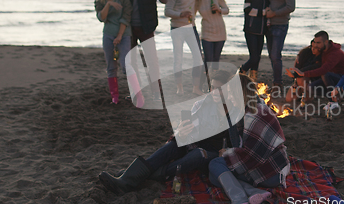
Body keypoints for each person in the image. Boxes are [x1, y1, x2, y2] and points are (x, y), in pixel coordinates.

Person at [98, 71, 242, 195]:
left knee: (198, 154)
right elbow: (189, 131)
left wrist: (228, 151)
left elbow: (242, 144)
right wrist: (183, 133)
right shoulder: (202, 105)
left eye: (220, 88)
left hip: (215, 155)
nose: (215, 92)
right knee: (173, 145)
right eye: (213, 87)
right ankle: (127, 180)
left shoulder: (236, 110)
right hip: (195, 144)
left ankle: (133, 176)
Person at [208, 74, 290, 204]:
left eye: (230, 93)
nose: (228, 97)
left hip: (271, 172)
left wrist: (228, 153)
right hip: (266, 166)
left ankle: (238, 198)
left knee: (215, 165)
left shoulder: (255, 114)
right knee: (213, 176)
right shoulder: (247, 110)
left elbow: (252, 155)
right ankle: (254, 192)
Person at [165, 0, 204, 96]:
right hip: (177, 28)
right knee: (178, 59)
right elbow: (167, 11)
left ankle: (195, 87)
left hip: (191, 27)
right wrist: (180, 14)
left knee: (198, 58)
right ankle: (179, 88)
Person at [95, 0, 132, 104]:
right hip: (108, 35)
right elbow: (101, 18)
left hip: (124, 35)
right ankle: (114, 97)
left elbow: (126, 18)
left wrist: (120, 36)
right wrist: (109, 4)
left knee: (126, 65)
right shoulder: (101, 0)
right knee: (111, 66)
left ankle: (137, 95)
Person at [261, 0, 295, 93]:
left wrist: (274, 13)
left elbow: (291, 6)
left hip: (280, 24)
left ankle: (278, 83)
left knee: (276, 55)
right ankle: (276, 81)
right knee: (272, 55)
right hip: (270, 25)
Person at [288, 31, 344, 102]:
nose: (316, 45)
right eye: (315, 42)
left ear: (326, 42)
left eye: (318, 43)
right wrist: (299, 55)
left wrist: (303, 73)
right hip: (329, 79)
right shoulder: (323, 49)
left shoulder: (335, 53)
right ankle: (335, 96)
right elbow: (310, 49)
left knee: (325, 74)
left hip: (342, 79)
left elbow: (323, 70)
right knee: (311, 87)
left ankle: (333, 100)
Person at [238, 0, 272, 82]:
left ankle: (253, 80)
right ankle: (241, 70)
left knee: (257, 57)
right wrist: (263, 13)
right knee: (254, 57)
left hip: (261, 31)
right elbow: (247, 9)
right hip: (250, 29)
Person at [195, 0, 229, 70]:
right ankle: (205, 81)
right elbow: (191, 13)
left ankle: (214, 82)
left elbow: (227, 9)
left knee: (215, 60)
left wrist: (219, 10)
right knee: (208, 59)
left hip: (220, 32)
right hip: (207, 33)